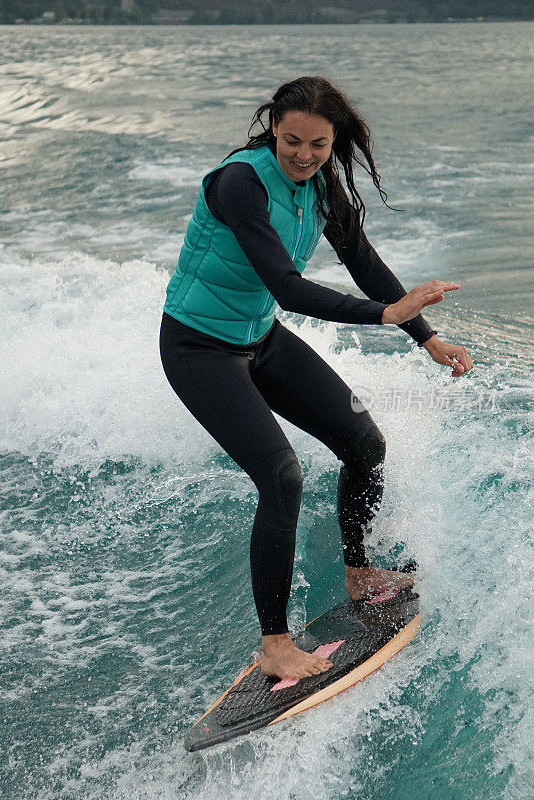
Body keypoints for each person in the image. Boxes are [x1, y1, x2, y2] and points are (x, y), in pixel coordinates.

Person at [158, 76, 473, 681]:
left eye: (319, 145)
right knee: (281, 476)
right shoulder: (240, 183)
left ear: (335, 143)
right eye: (293, 141)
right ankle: (274, 643)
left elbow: (362, 261)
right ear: (274, 128)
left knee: (365, 444)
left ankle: (359, 570)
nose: (303, 155)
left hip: (259, 339)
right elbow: (286, 285)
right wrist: (384, 316)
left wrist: (426, 337)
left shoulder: (322, 186)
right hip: (198, 347)